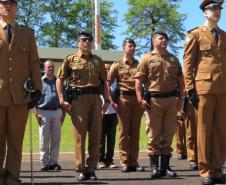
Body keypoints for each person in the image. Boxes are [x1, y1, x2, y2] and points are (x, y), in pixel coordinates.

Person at [56, 31, 109, 181]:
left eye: (90, 40)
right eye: (84, 40)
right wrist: (62, 99)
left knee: (95, 135)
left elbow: (104, 82)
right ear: (78, 42)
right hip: (78, 100)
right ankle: (80, 168)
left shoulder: (98, 60)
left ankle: (91, 169)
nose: (87, 42)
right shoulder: (70, 59)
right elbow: (60, 80)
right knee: (79, 136)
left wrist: (107, 100)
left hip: (95, 99)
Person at [183, 0, 226, 184]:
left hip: (223, 90)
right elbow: (188, 64)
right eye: (213, 9)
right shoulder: (195, 35)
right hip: (204, 89)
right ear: (204, 13)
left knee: (220, 131)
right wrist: (190, 88)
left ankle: (217, 169)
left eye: (219, 9)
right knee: (204, 131)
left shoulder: (223, 35)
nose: (217, 12)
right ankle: (206, 170)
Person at [0, 0, 42, 184]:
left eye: (11, 3)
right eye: (3, 3)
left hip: (20, 97)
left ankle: (12, 178)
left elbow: (34, 62)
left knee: (16, 143)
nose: (7, 6)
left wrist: (37, 89)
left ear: (17, 7)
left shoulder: (28, 34)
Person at [135, 31, 184, 179]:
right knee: (154, 134)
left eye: (166, 38)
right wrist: (140, 99)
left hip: (171, 101)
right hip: (154, 101)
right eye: (161, 38)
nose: (164, 40)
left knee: (169, 134)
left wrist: (180, 100)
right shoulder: (146, 58)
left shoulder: (174, 59)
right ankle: (154, 168)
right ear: (153, 41)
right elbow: (139, 81)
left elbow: (181, 83)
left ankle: (165, 167)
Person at [107, 38, 144, 173]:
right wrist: (111, 100)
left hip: (137, 99)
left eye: (134, 46)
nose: (132, 48)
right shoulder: (117, 65)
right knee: (123, 132)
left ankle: (134, 161)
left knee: (135, 132)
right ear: (124, 48)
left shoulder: (139, 64)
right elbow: (108, 83)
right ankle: (124, 162)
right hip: (123, 99)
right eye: (130, 46)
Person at [34, 60, 65, 171]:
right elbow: (34, 100)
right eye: (48, 67)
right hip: (43, 112)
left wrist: (63, 114)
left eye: (52, 67)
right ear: (44, 69)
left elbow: (63, 98)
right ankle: (44, 163)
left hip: (57, 112)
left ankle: (54, 162)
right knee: (44, 139)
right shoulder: (39, 82)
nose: (50, 69)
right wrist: (36, 114)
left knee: (56, 139)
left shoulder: (59, 81)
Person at [98, 63, 118, 169]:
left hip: (113, 114)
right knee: (100, 139)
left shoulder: (116, 83)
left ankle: (110, 160)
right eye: (105, 69)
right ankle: (101, 160)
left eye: (109, 69)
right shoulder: (99, 83)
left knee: (111, 139)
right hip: (101, 114)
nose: (107, 71)